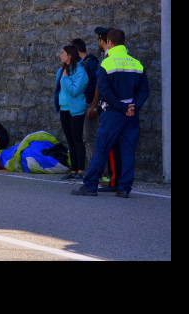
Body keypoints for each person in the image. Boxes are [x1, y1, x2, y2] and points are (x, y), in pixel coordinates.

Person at [72, 28, 149, 198]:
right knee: (128, 150)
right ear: (125, 43)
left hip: (113, 113)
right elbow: (144, 90)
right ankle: (124, 188)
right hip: (131, 114)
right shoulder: (137, 63)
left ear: (110, 43)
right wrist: (133, 107)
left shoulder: (106, 63)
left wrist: (121, 107)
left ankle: (90, 186)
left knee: (101, 148)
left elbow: (105, 90)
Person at [88, 27, 123, 193]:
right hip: (122, 107)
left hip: (109, 108)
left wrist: (94, 105)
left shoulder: (107, 60)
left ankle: (109, 180)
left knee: (107, 146)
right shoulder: (125, 59)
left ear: (104, 41)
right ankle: (115, 179)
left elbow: (100, 87)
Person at [54, 44, 88, 180]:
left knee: (77, 139)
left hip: (76, 110)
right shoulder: (61, 70)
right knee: (70, 140)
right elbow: (58, 90)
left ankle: (81, 170)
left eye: (63, 53)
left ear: (69, 55)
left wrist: (66, 78)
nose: (60, 55)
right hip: (64, 109)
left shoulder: (80, 71)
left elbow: (75, 90)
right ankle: (73, 170)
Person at [71, 37, 100, 170]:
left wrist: (93, 106)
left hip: (89, 103)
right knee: (85, 137)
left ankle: (97, 169)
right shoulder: (82, 63)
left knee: (89, 137)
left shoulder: (90, 63)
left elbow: (96, 86)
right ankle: (93, 168)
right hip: (83, 103)